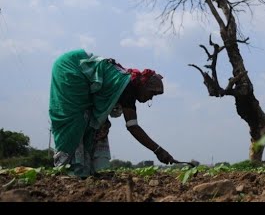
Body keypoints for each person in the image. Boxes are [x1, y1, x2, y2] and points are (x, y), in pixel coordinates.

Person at [49, 49, 176, 177]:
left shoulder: (127, 88)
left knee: (99, 126)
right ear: (143, 85)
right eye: (152, 93)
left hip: (79, 69)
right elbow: (133, 127)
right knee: (75, 118)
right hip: (71, 67)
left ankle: (85, 170)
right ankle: (64, 168)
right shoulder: (128, 87)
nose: (150, 98)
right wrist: (158, 150)